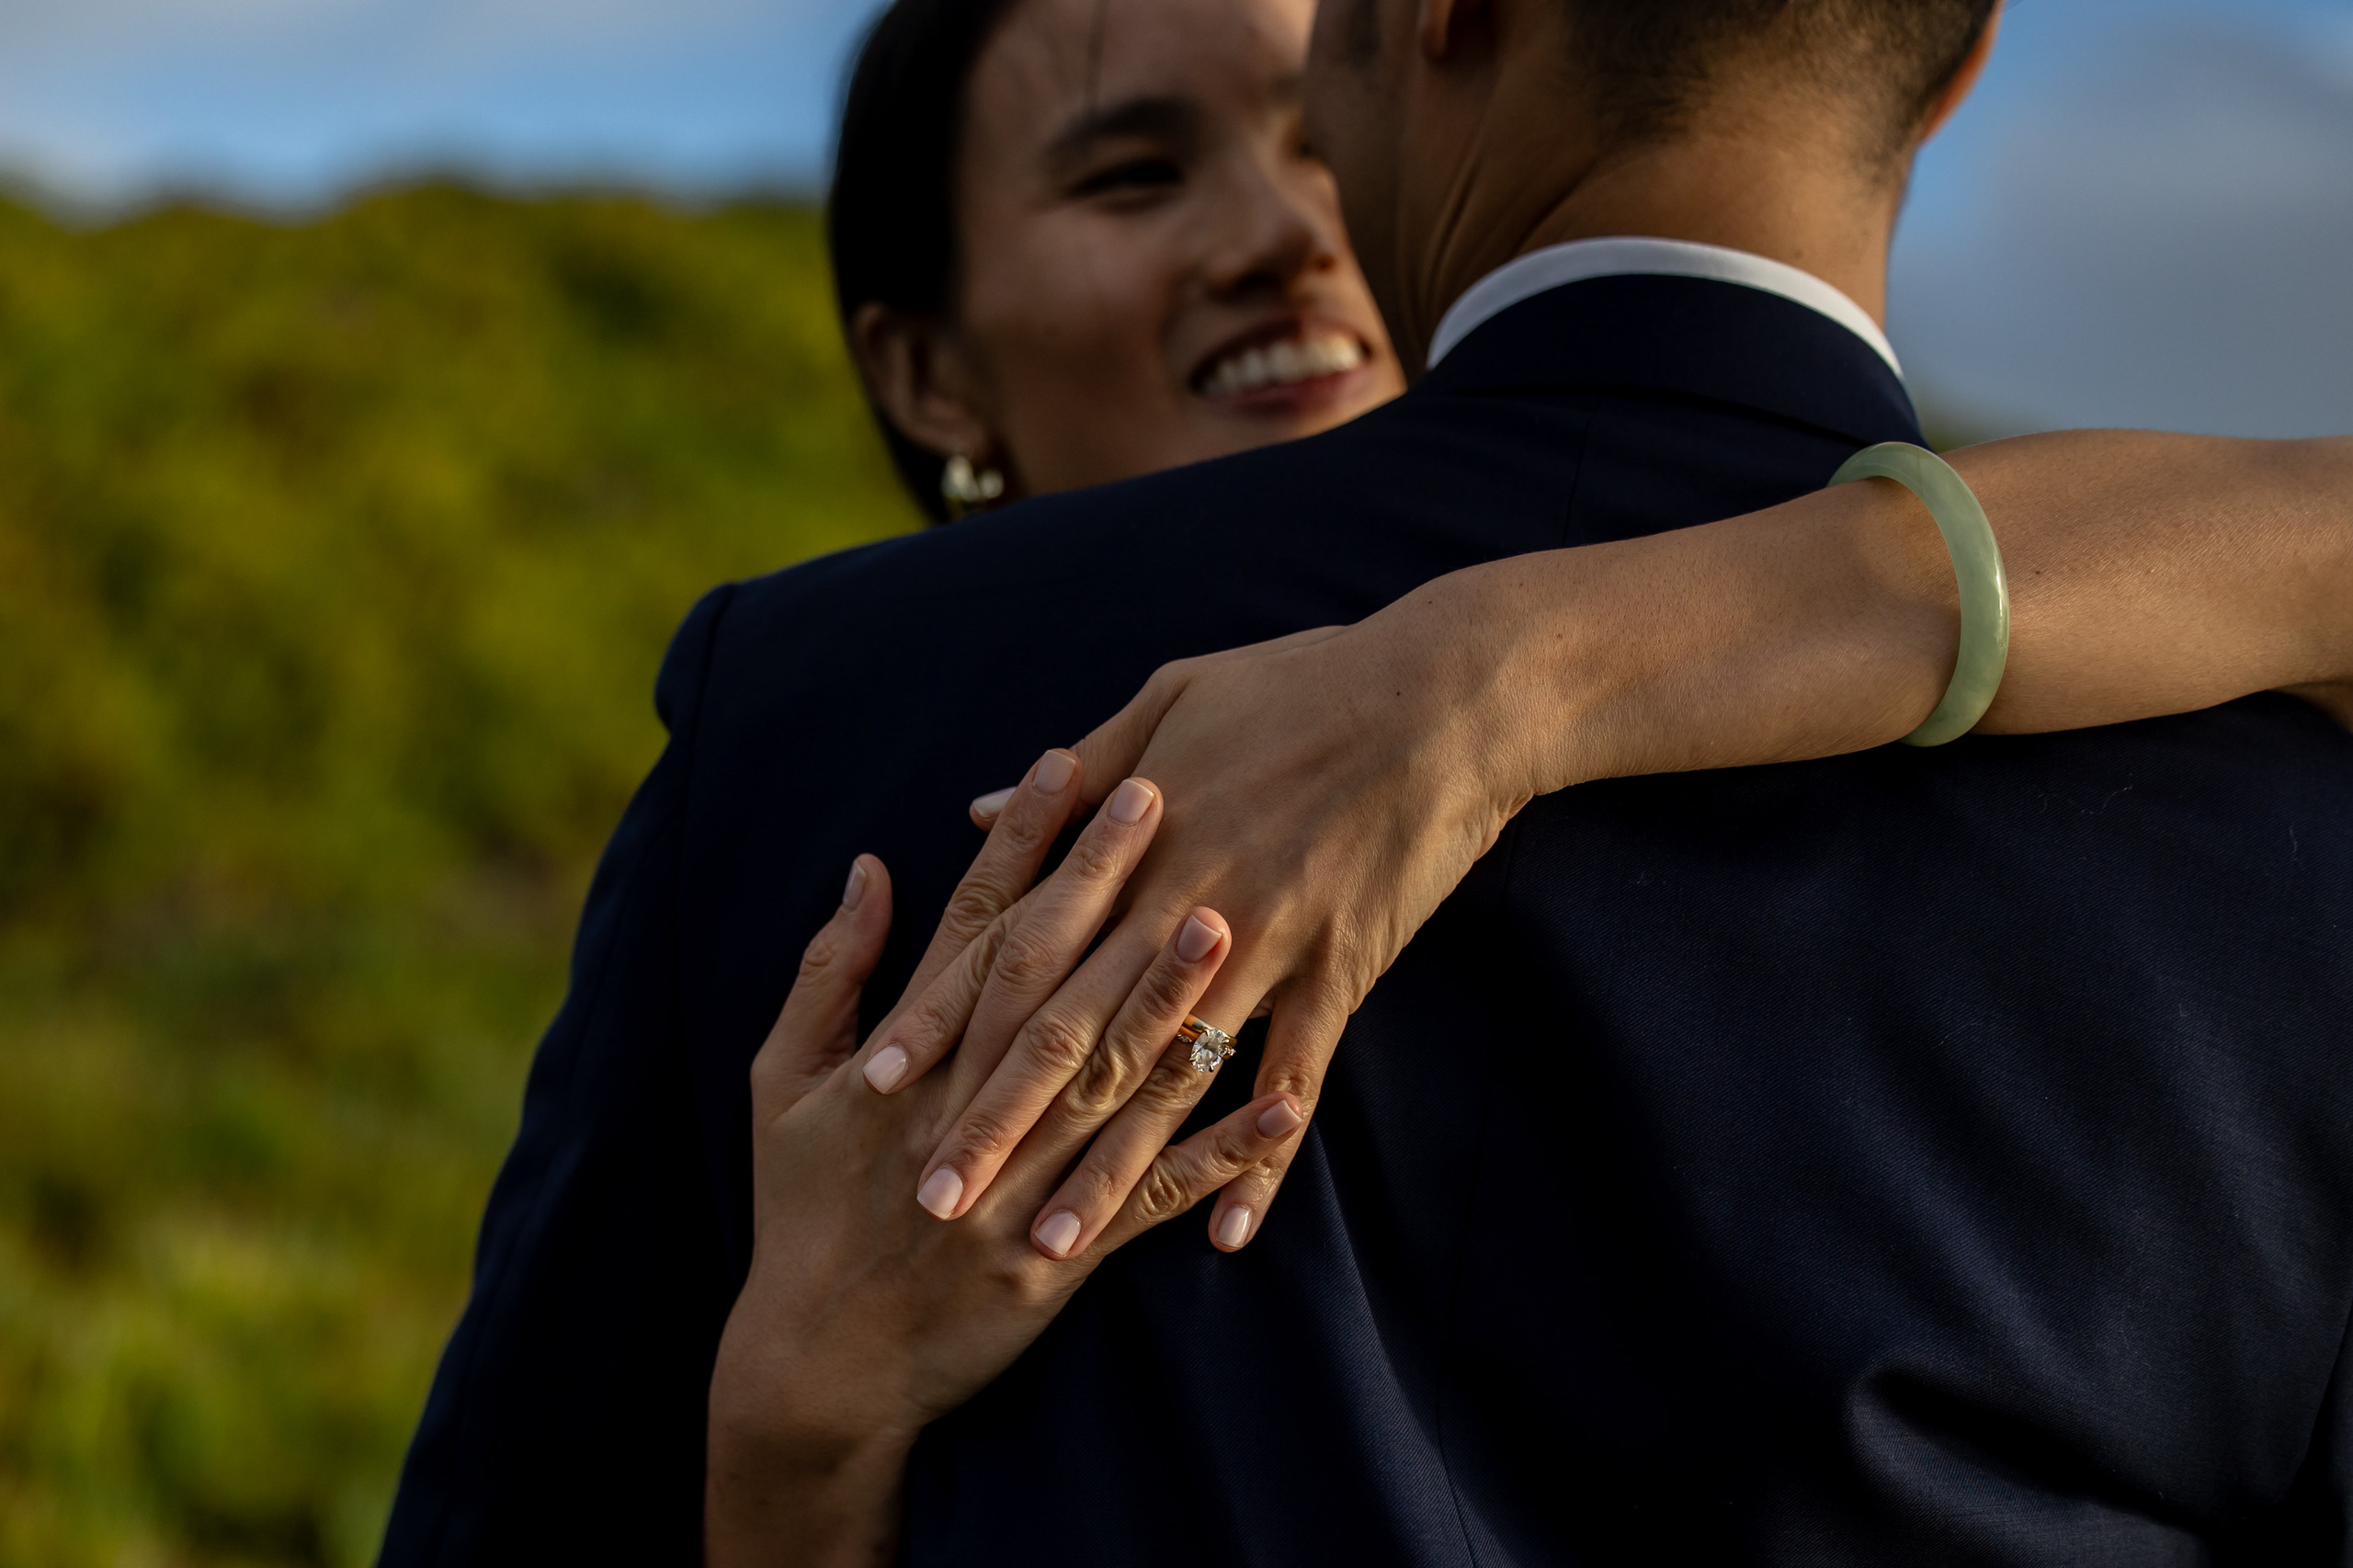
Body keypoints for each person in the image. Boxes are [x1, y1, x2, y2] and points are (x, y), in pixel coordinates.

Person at [380, 0, 2353, 1562]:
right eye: (1133, 168)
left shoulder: (819, 728)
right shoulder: (2277, 834)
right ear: (1963, 57)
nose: (1285, 216)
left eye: (1298, 97)